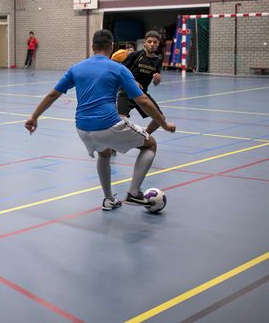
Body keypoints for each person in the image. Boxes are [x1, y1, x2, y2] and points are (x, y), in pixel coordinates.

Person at [24, 29, 175, 211]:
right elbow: (142, 100)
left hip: (82, 129)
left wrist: (34, 117)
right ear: (112, 46)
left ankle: (109, 199)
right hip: (107, 125)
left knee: (104, 153)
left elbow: (52, 94)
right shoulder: (119, 68)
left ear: (92, 46)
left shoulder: (76, 68)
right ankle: (134, 193)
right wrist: (164, 124)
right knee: (150, 144)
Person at [118, 31, 165, 135]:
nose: (152, 44)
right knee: (120, 120)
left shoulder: (158, 60)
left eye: (155, 42)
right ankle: (116, 143)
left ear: (158, 44)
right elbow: (120, 71)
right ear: (145, 43)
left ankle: (144, 136)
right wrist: (132, 82)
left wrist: (157, 80)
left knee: (160, 119)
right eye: (149, 41)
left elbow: (155, 81)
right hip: (127, 92)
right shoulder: (135, 55)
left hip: (142, 94)